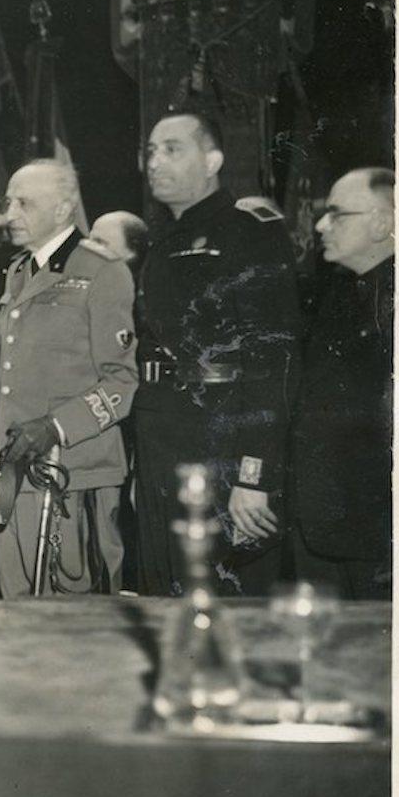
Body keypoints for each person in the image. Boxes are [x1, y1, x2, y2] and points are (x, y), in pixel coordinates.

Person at [133, 112, 302, 596]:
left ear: (213, 161)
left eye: (172, 149)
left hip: (223, 441)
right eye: (150, 150)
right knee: (164, 595)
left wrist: (255, 474)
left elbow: (274, 358)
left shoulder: (249, 232)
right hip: (162, 438)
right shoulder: (163, 239)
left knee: (224, 603)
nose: (155, 162)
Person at [0, 159, 137, 597]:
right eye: (8, 202)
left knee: (78, 616)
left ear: (63, 208)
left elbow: (121, 383)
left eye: (24, 203)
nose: (10, 213)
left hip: (73, 473)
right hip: (12, 473)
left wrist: (54, 427)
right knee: (20, 613)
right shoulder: (18, 272)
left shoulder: (101, 270)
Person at [287, 167, 394, 599]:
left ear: (383, 223)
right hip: (325, 522)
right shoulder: (339, 293)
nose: (320, 225)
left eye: (337, 214)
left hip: (379, 534)